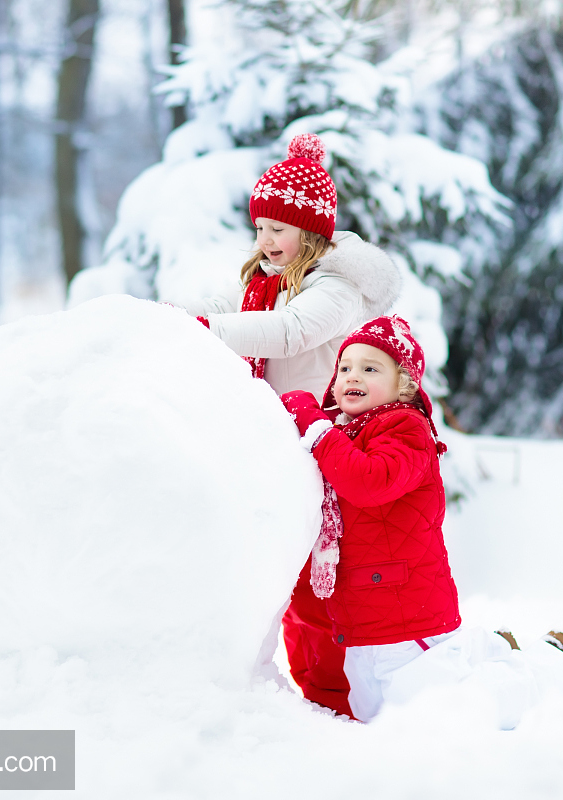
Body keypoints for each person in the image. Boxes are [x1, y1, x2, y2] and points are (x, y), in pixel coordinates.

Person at [281, 316, 563, 725]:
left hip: (403, 610)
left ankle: (553, 673)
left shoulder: (404, 427)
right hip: (366, 620)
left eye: (371, 368)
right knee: (377, 713)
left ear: (404, 384)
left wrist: (314, 426)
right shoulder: (347, 434)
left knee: (438, 713)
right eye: (346, 367)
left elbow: (367, 482)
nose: (353, 375)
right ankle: (489, 650)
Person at [182, 134, 401, 718]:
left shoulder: (338, 289)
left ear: (310, 230)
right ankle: (290, 689)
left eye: (277, 229)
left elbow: (287, 333)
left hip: (320, 444)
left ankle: (339, 696)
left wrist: (204, 328)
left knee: (317, 581)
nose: (265, 241)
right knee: (275, 570)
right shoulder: (268, 279)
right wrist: (193, 313)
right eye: (259, 228)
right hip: (274, 442)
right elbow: (233, 308)